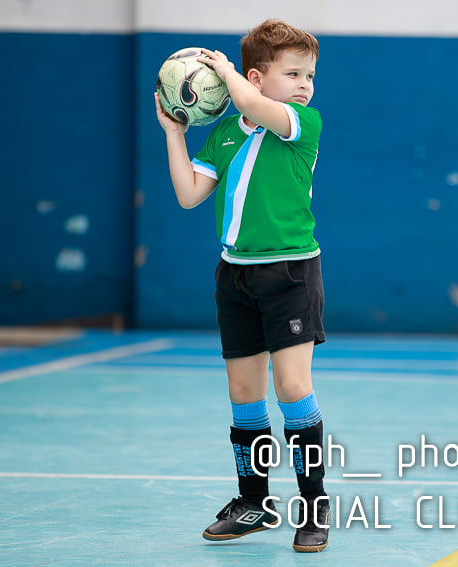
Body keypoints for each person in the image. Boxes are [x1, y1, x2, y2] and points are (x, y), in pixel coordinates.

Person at [154, 18, 329, 553]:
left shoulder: (300, 123)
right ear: (259, 74)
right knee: (244, 395)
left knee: (293, 390)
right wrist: (174, 134)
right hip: (235, 275)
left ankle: (314, 507)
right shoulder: (223, 135)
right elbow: (188, 194)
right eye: (293, 73)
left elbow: (255, 107)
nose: (305, 83)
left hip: (292, 272)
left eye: (310, 74)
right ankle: (254, 503)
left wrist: (227, 72)